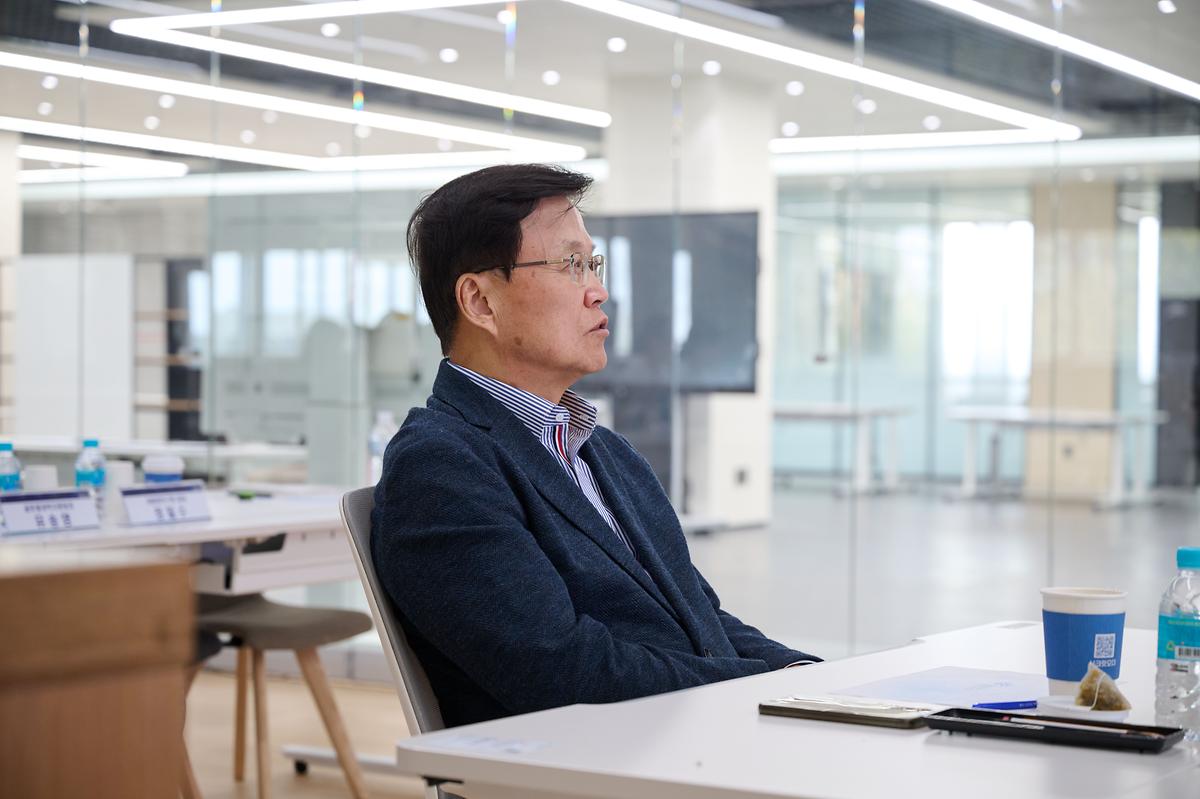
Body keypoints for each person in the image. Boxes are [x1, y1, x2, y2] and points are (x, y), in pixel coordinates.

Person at [371, 164, 819, 728]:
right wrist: (762, 693)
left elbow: (701, 619)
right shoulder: (440, 468)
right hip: (600, 757)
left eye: (593, 263)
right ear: (480, 301)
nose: (599, 291)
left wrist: (808, 679)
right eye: (571, 265)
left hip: (694, 735)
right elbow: (563, 672)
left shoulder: (604, 453)